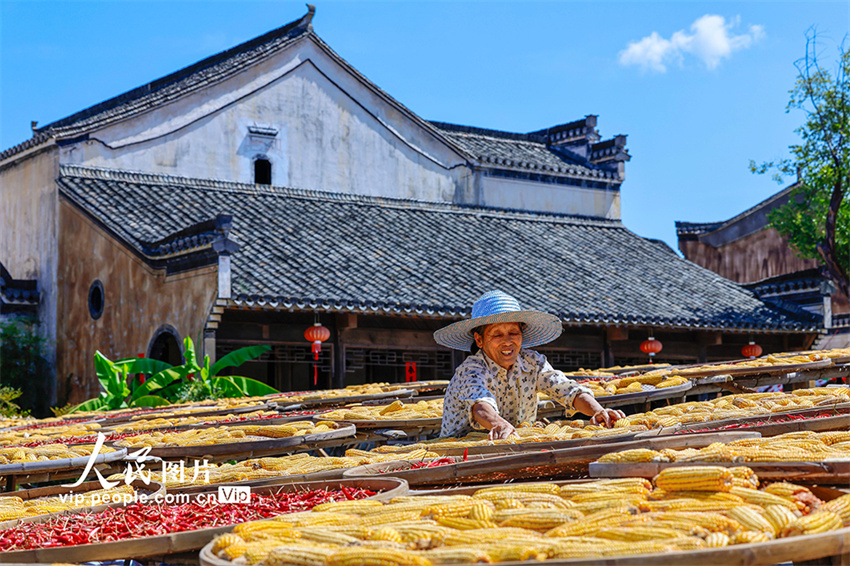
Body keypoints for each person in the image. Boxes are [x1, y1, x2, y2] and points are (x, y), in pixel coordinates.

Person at [434, 290, 625, 439]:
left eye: (513, 333)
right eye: (497, 334)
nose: (507, 342)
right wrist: (499, 425)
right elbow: (480, 406)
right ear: (479, 340)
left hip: (513, 444)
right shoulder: (471, 370)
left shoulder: (533, 362)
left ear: (522, 334)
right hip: (461, 450)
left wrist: (598, 411)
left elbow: (567, 390)